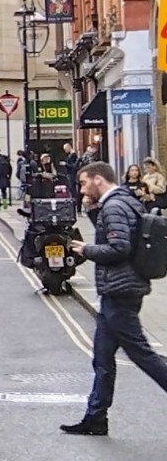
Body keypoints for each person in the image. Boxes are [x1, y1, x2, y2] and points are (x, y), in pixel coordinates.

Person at [62, 161, 167, 435]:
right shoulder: (121, 202)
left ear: (98, 180)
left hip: (121, 290)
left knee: (142, 354)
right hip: (119, 289)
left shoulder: (115, 206)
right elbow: (116, 232)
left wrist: (88, 249)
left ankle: (95, 416)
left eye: (84, 183)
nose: (82, 188)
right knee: (102, 357)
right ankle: (95, 417)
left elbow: (119, 247)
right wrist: (90, 208)